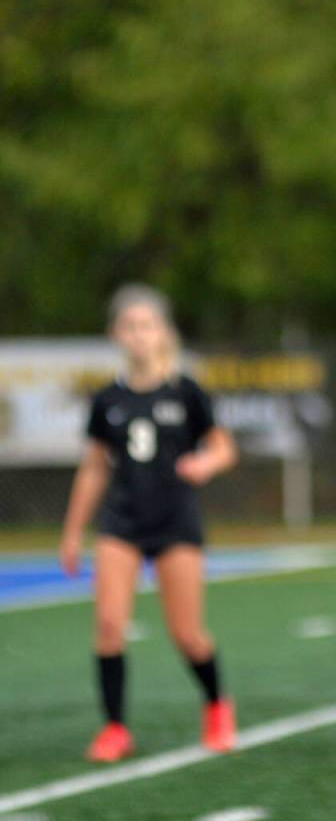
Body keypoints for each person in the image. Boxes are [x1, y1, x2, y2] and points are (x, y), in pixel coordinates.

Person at [59, 284, 239, 762]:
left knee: (187, 633)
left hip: (175, 520)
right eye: (130, 326)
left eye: (148, 325)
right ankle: (115, 727)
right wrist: (73, 532)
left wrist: (206, 464)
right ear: (116, 334)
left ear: (163, 333)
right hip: (122, 521)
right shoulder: (108, 400)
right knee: (109, 625)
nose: (139, 335)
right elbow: (95, 466)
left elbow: (224, 447)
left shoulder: (186, 392)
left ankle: (218, 704)